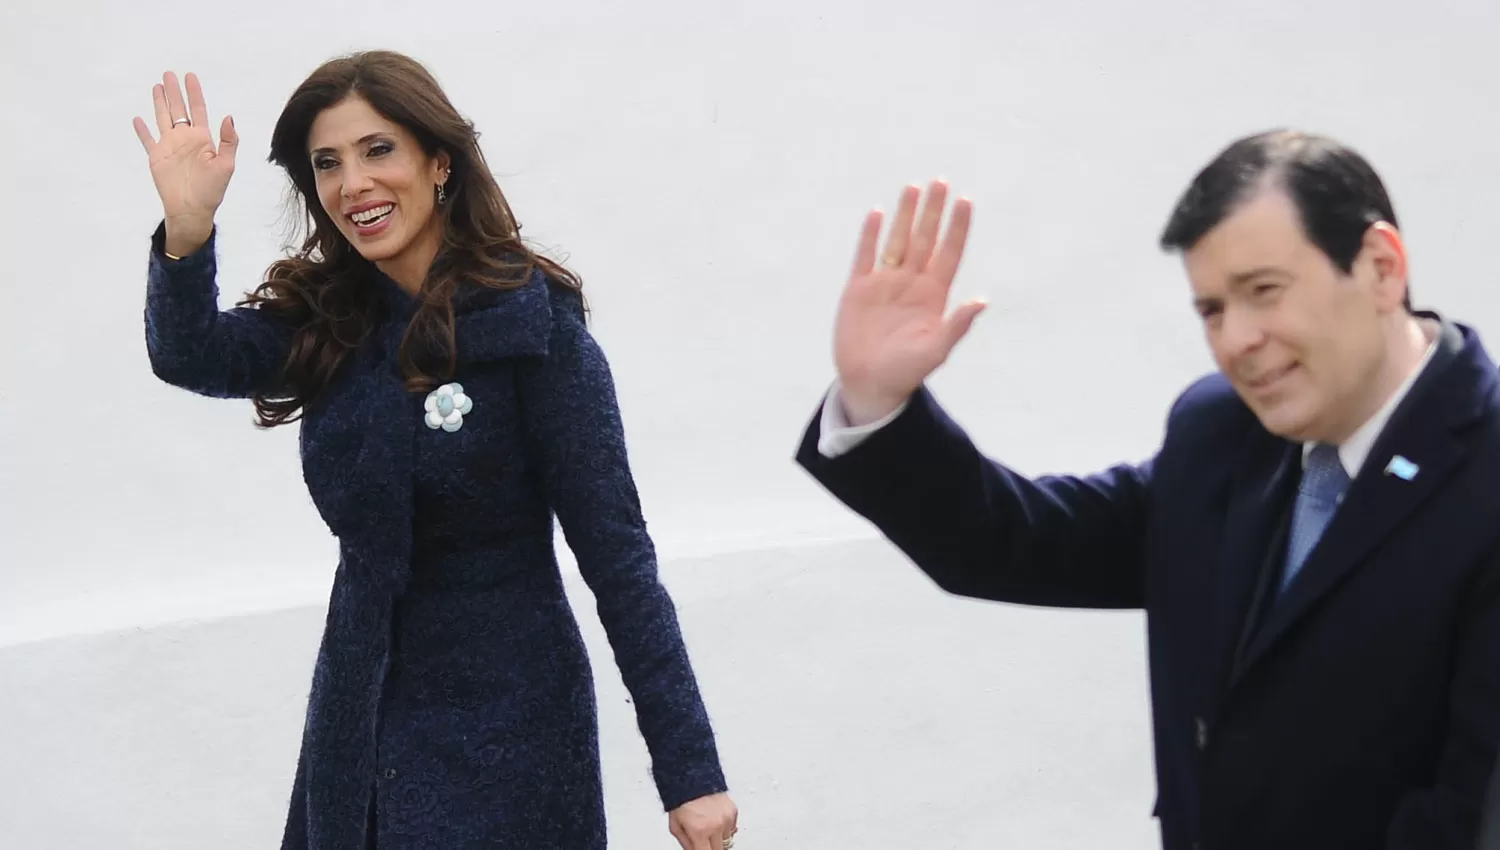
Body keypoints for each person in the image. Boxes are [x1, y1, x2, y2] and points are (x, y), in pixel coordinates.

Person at [793, 131, 1500, 849]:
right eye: (1212, 310)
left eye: (1264, 292)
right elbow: (1015, 542)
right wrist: (878, 398)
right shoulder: (1221, 431)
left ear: (1381, 268)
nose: (1237, 340)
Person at [132, 52, 738, 850]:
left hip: (509, 728)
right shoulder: (330, 320)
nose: (354, 184)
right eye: (328, 163)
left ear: (438, 162)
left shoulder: (535, 329)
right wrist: (188, 231)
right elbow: (191, 355)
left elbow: (618, 558)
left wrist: (690, 771)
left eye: (378, 149)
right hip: (360, 719)